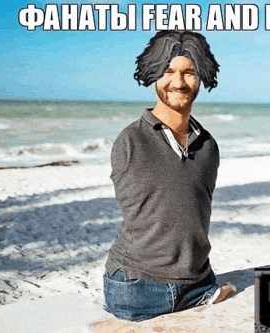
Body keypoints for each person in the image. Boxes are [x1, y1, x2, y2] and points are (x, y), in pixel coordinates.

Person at [103, 30, 236, 322]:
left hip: (200, 282)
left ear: (202, 76)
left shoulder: (208, 145)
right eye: (168, 71)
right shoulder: (130, 141)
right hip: (137, 288)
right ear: (153, 75)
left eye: (189, 73)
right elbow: (146, 218)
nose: (178, 82)